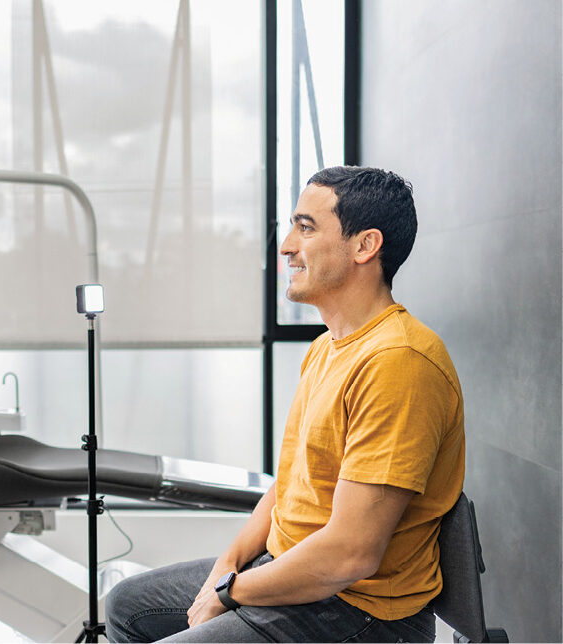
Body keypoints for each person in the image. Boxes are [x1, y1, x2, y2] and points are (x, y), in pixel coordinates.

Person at [106, 166, 464, 643]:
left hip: (357, 611)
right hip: (293, 570)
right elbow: (287, 488)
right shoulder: (326, 348)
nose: (287, 246)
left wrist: (231, 592)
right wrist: (228, 565)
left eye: (306, 227)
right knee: (126, 606)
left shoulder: (399, 361)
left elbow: (350, 555)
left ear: (365, 245)